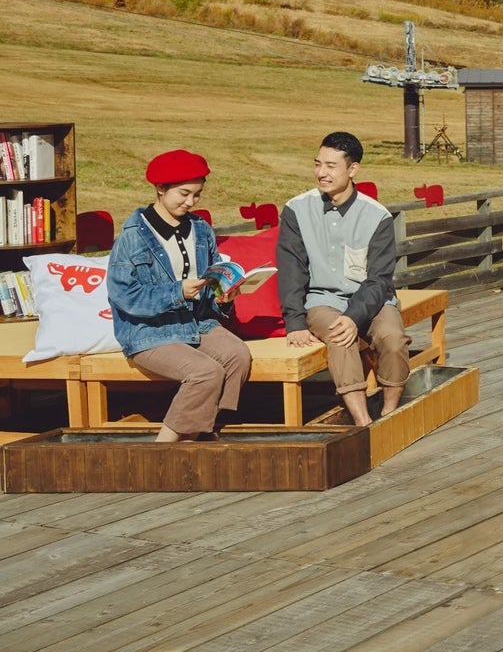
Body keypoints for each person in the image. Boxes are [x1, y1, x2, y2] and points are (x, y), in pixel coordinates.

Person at [106, 150, 253, 443]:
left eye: (197, 195)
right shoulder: (133, 236)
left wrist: (223, 297)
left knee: (238, 356)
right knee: (206, 372)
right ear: (160, 189)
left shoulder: (200, 229)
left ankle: (203, 430)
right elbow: (124, 296)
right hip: (150, 331)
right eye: (184, 194)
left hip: (195, 322)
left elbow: (209, 284)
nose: (190, 202)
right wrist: (176, 292)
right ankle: (165, 446)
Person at [277, 131, 408, 426]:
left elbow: (379, 279)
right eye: (317, 164)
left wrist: (354, 315)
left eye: (331, 166)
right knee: (340, 336)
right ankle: (363, 423)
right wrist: (294, 322)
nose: (321, 173)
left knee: (393, 337)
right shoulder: (297, 209)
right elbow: (291, 268)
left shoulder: (377, 216)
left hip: (372, 299)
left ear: (352, 170)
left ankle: (390, 412)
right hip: (323, 300)